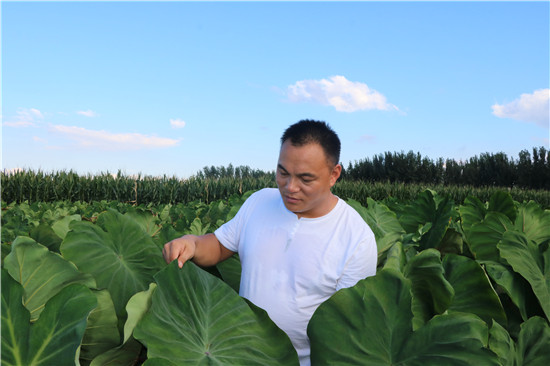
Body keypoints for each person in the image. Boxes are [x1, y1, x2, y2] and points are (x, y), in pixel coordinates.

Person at [163, 119, 378, 365]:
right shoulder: (259, 202)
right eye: (283, 173)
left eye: (305, 179)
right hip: (237, 352)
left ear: (333, 175)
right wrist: (192, 243)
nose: (290, 187)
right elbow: (221, 245)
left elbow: (347, 330)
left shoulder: (356, 238)